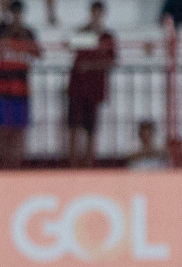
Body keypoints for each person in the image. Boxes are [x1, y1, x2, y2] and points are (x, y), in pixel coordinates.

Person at [0, 0, 41, 169]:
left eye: (19, 13)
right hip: (3, 87)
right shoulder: (2, 30)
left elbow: (38, 53)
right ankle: (4, 165)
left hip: (21, 88)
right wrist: (9, 33)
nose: (16, 17)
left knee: (19, 131)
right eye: (14, 13)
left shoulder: (28, 32)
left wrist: (23, 37)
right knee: (3, 131)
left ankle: (16, 166)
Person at [66, 1, 116, 168]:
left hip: (93, 88)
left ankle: (88, 164)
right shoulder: (84, 32)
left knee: (91, 128)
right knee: (74, 126)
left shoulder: (107, 36)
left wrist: (92, 66)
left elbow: (112, 61)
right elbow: (69, 46)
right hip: (78, 87)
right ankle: (73, 164)